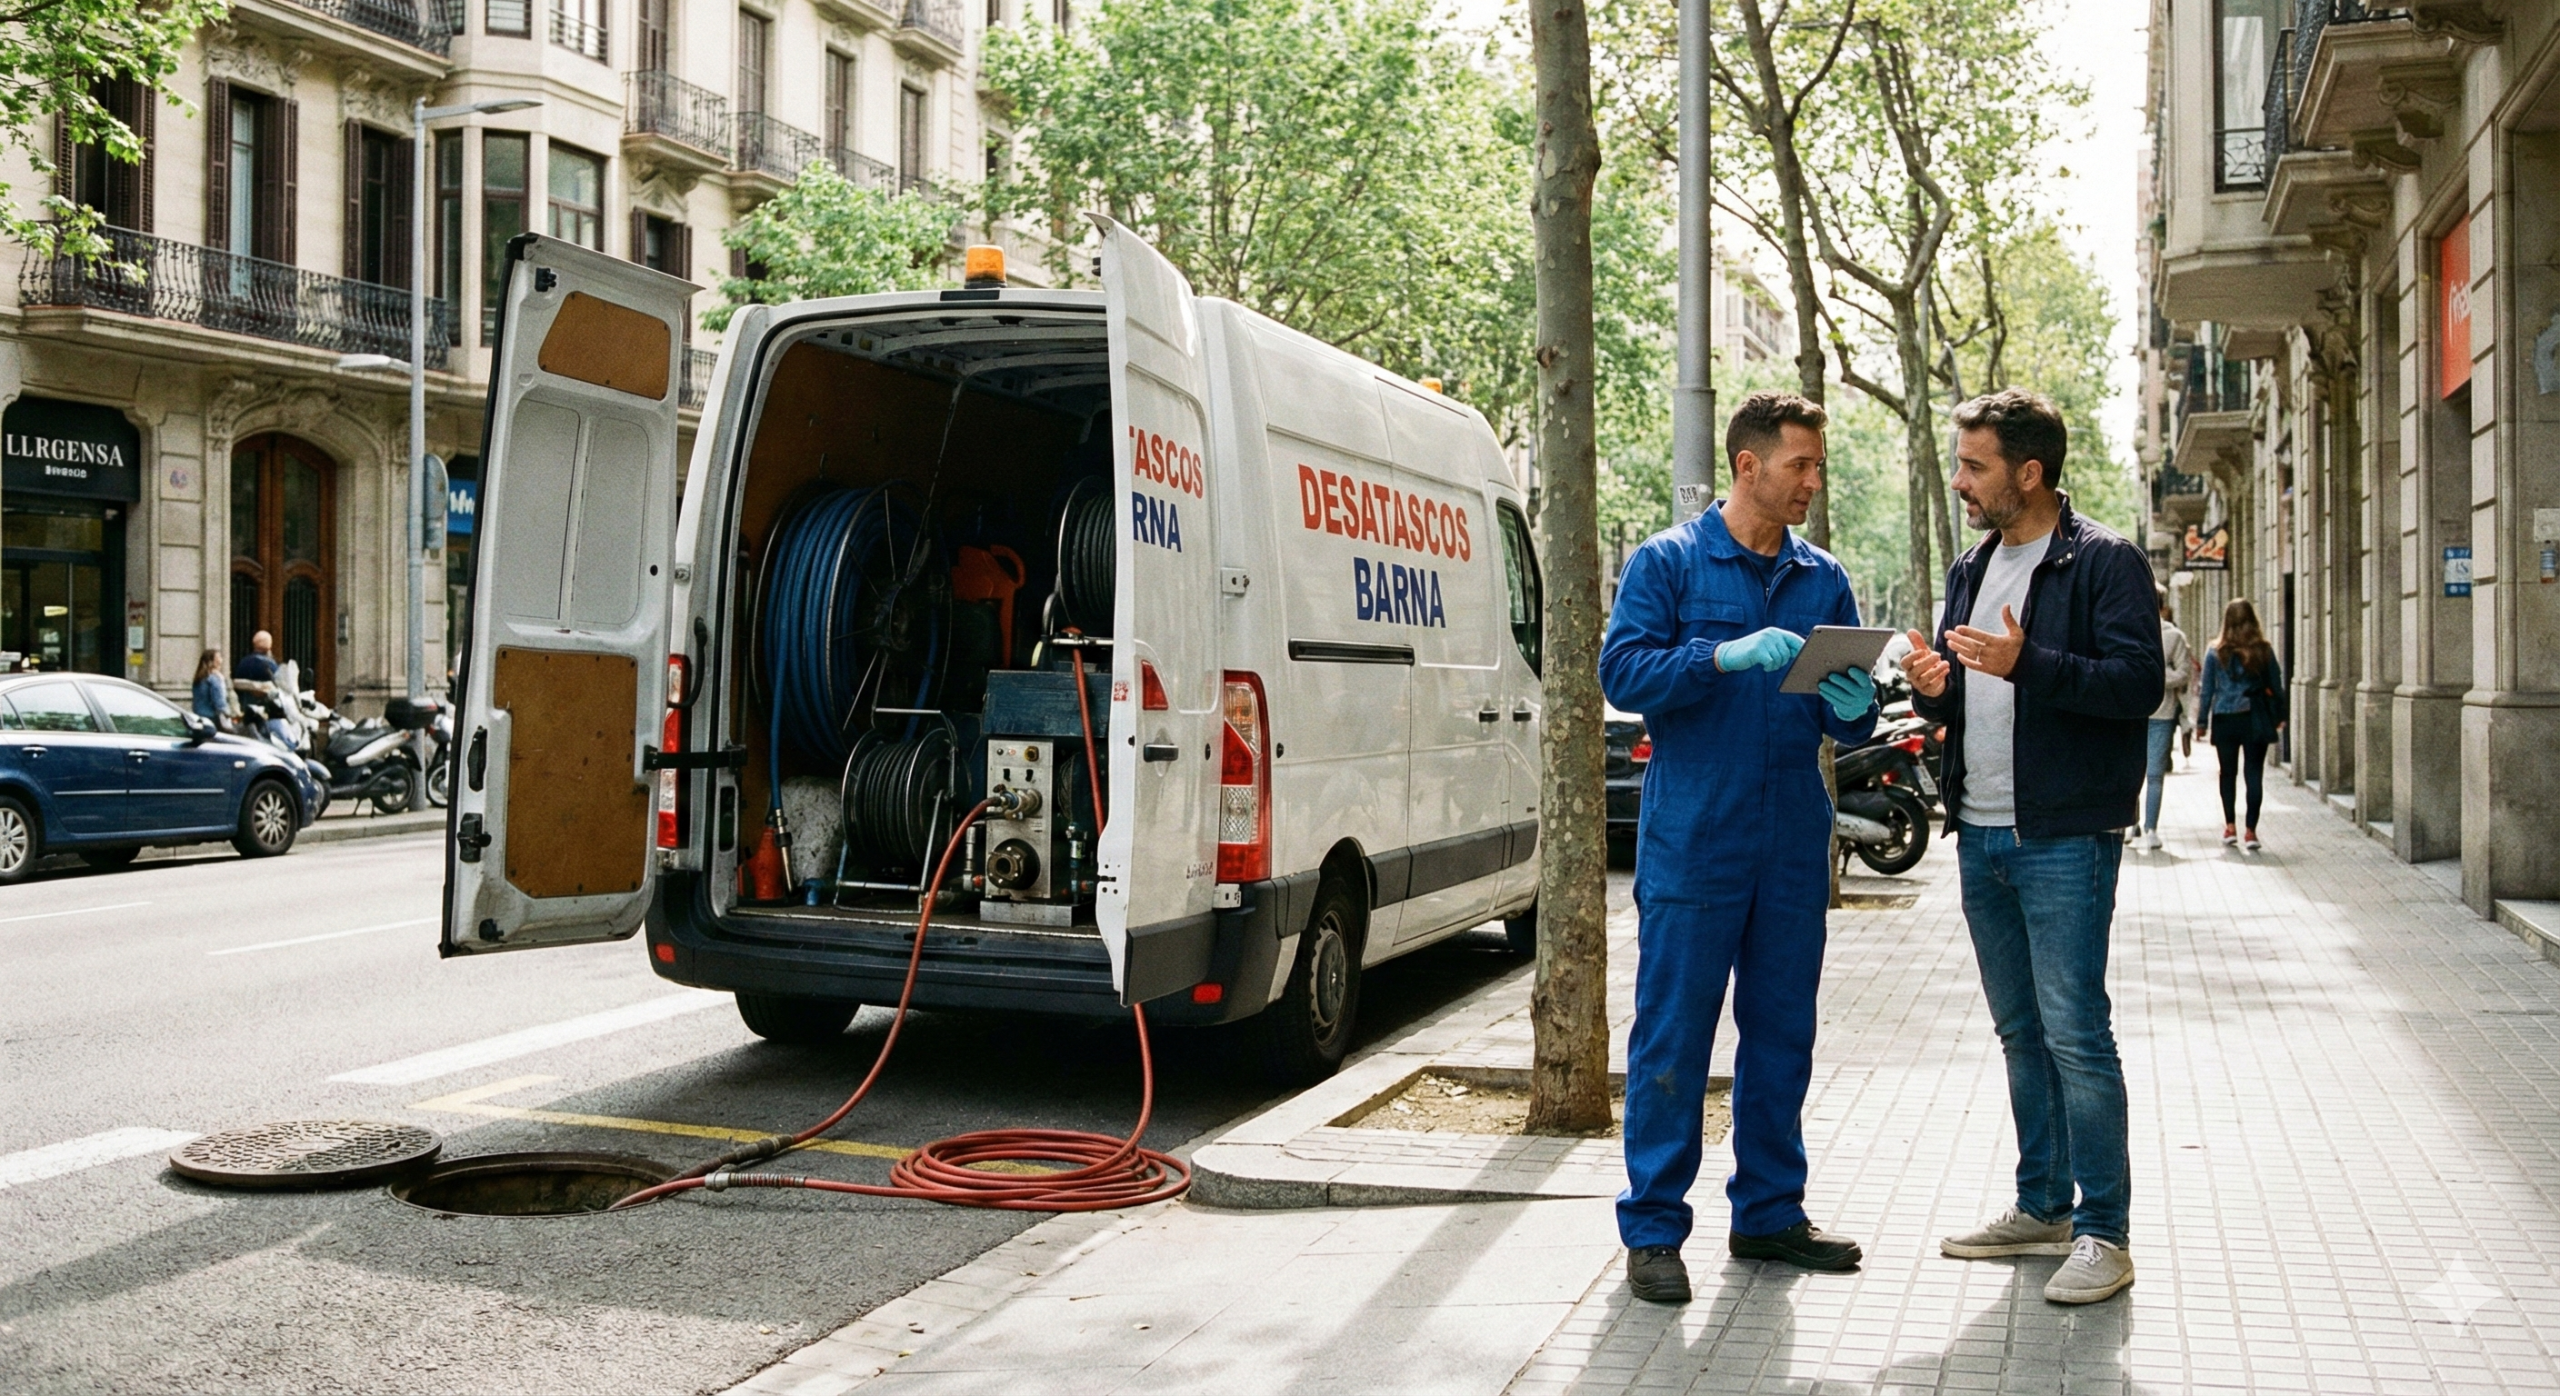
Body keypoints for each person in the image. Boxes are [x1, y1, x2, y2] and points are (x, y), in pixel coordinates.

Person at [1599, 391, 1881, 1305]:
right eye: (1800, 464)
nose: (1813, 480)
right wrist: (1717, 658)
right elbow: (1623, 671)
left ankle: (1767, 1214)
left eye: (1817, 465)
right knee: (1673, 1034)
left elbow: (1854, 700)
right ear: (1748, 465)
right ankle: (1652, 1230)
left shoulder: (1822, 577)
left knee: (1782, 1034)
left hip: (1792, 838)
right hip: (1695, 837)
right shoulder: (1670, 562)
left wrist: (1855, 705)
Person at [1897, 388, 2161, 1306]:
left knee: (2077, 1034)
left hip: (2064, 836)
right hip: (1980, 831)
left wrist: (2028, 665)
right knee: (2021, 1033)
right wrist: (1934, 686)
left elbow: (2137, 685)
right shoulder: (1971, 568)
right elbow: (1963, 697)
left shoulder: (2105, 563)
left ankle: (2105, 1232)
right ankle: (2042, 1204)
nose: (1961, 481)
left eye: (1974, 466)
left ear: (2029, 473)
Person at [2196, 597, 2287, 853]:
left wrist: (2202, 721)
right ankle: (2251, 832)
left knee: (2227, 774)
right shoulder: (2263, 650)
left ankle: (2229, 827)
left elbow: (2207, 690)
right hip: (2253, 717)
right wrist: (2279, 715)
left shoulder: (2215, 651)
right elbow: (2276, 684)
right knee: (2253, 774)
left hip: (2225, 719)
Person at [2130, 589, 2193, 851]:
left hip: (2162, 713)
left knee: (2154, 774)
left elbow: (2184, 674)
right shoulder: (2126, 631)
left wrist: (2153, 676)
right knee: (2131, 774)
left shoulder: (2174, 637)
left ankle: (2151, 828)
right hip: (2130, 714)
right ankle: (2129, 824)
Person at [192, 648, 234, 731]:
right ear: (213, 661)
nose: (221, 660)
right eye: (219, 657)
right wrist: (228, 714)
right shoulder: (215, 678)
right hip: (212, 718)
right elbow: (220, 702)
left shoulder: (199, 678)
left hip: (199, 716)